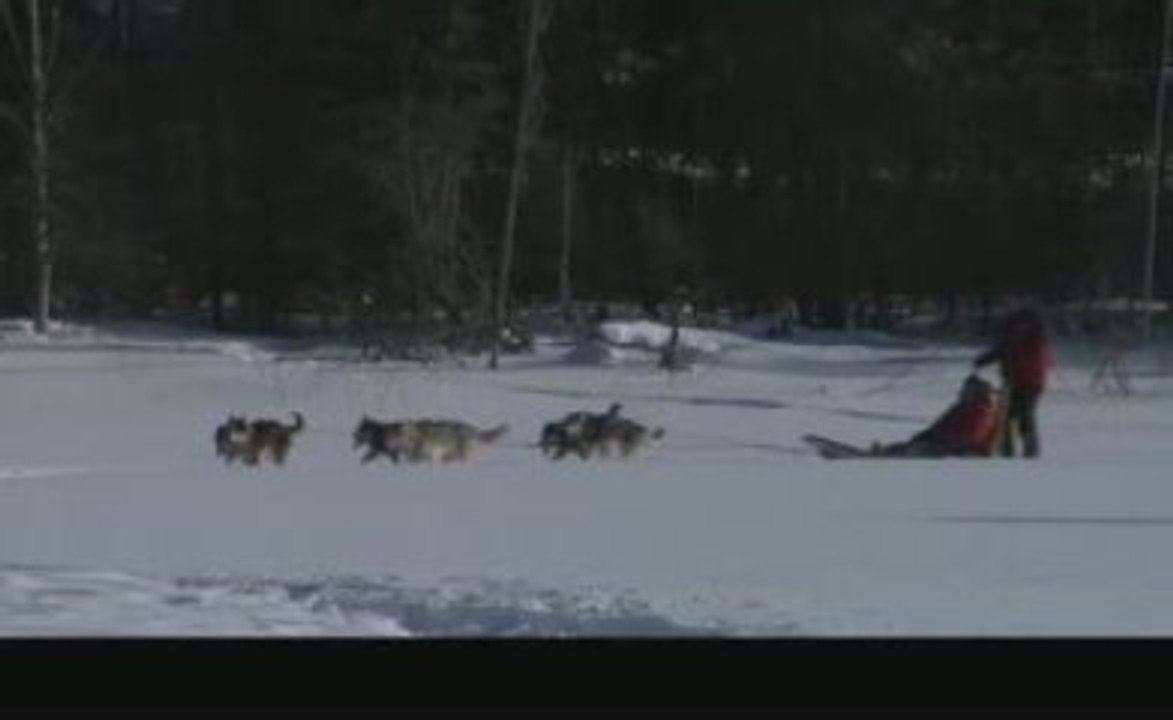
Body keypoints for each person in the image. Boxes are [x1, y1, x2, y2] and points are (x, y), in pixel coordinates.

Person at [973, 307, 1056, 458]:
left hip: (1030, 383)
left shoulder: (1036, 340)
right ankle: (1008, 452)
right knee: (1005, 418)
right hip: (1013, 382)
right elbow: (1000, 350)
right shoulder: (1011, 336)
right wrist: (984, 360)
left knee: (1024, 416)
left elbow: (1039, 362)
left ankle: (1030, 452)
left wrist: (1015, 366)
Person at [872, 374, 1002, 458]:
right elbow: (940, 426)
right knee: (911, 446)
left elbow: (971, 438)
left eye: (967, 390)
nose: (963, 392)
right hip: (946, 446)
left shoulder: (982, 412)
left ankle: (887, 459)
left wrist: (942, 439)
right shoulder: (961, 408)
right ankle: (885, 454)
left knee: (918, 451)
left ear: (976, 393)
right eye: (965, 389)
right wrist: (928, 435)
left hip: (964, 454)